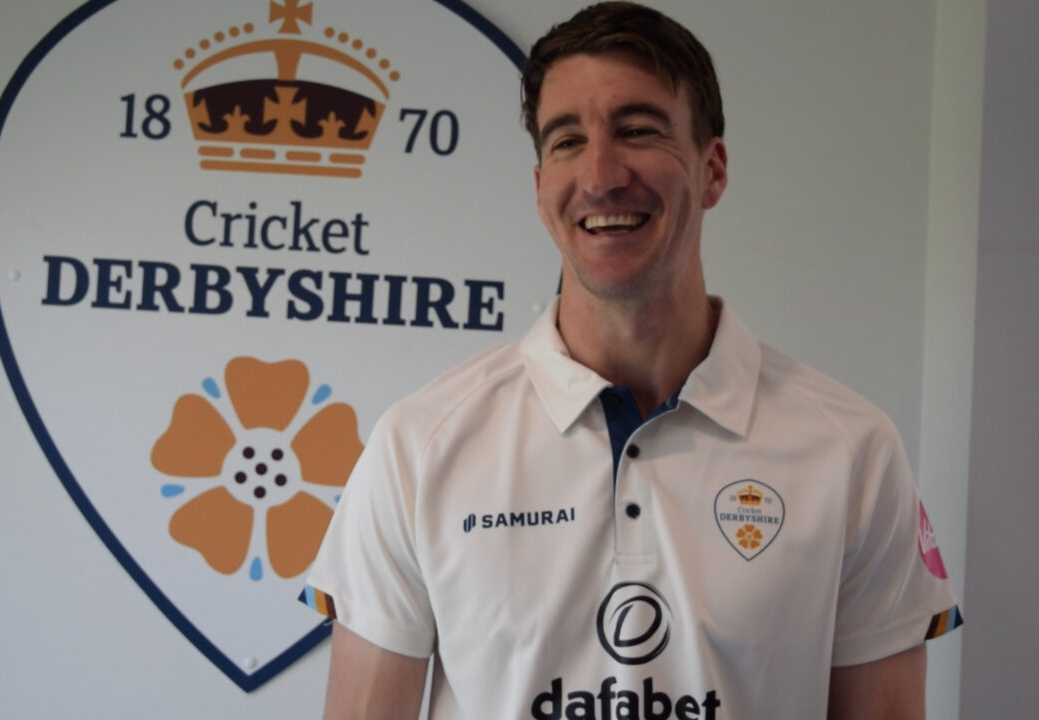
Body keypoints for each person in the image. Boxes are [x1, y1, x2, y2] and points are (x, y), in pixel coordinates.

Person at [304, 3, 962, 718]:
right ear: (539, 188)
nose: (601, 175)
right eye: (567, 141)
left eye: (639, 130)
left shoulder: (852, 452)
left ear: (712, 170)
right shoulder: (418, 447)